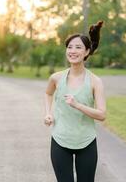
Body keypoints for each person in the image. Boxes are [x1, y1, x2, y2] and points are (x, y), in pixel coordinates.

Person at [44, 21, 106, 182]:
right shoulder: (56, 78)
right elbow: (48, 93)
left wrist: (77, 105)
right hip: (60, 140)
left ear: (86, 52)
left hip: (86, 142)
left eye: (78, 47)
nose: (73, 51)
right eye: (70, 47)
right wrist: (48, 113)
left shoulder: (95, 81)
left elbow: (101, 114)